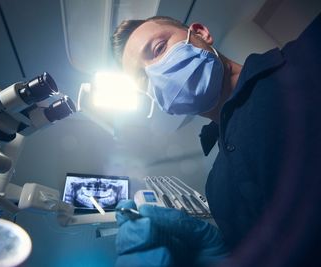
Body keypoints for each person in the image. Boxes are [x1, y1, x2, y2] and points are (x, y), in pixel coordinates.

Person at [111, 13, 321, 267]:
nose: (155, 76)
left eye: (158, 49)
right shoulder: (217, 188)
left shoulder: (310, 52)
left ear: (200, 33)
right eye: (142, 80)